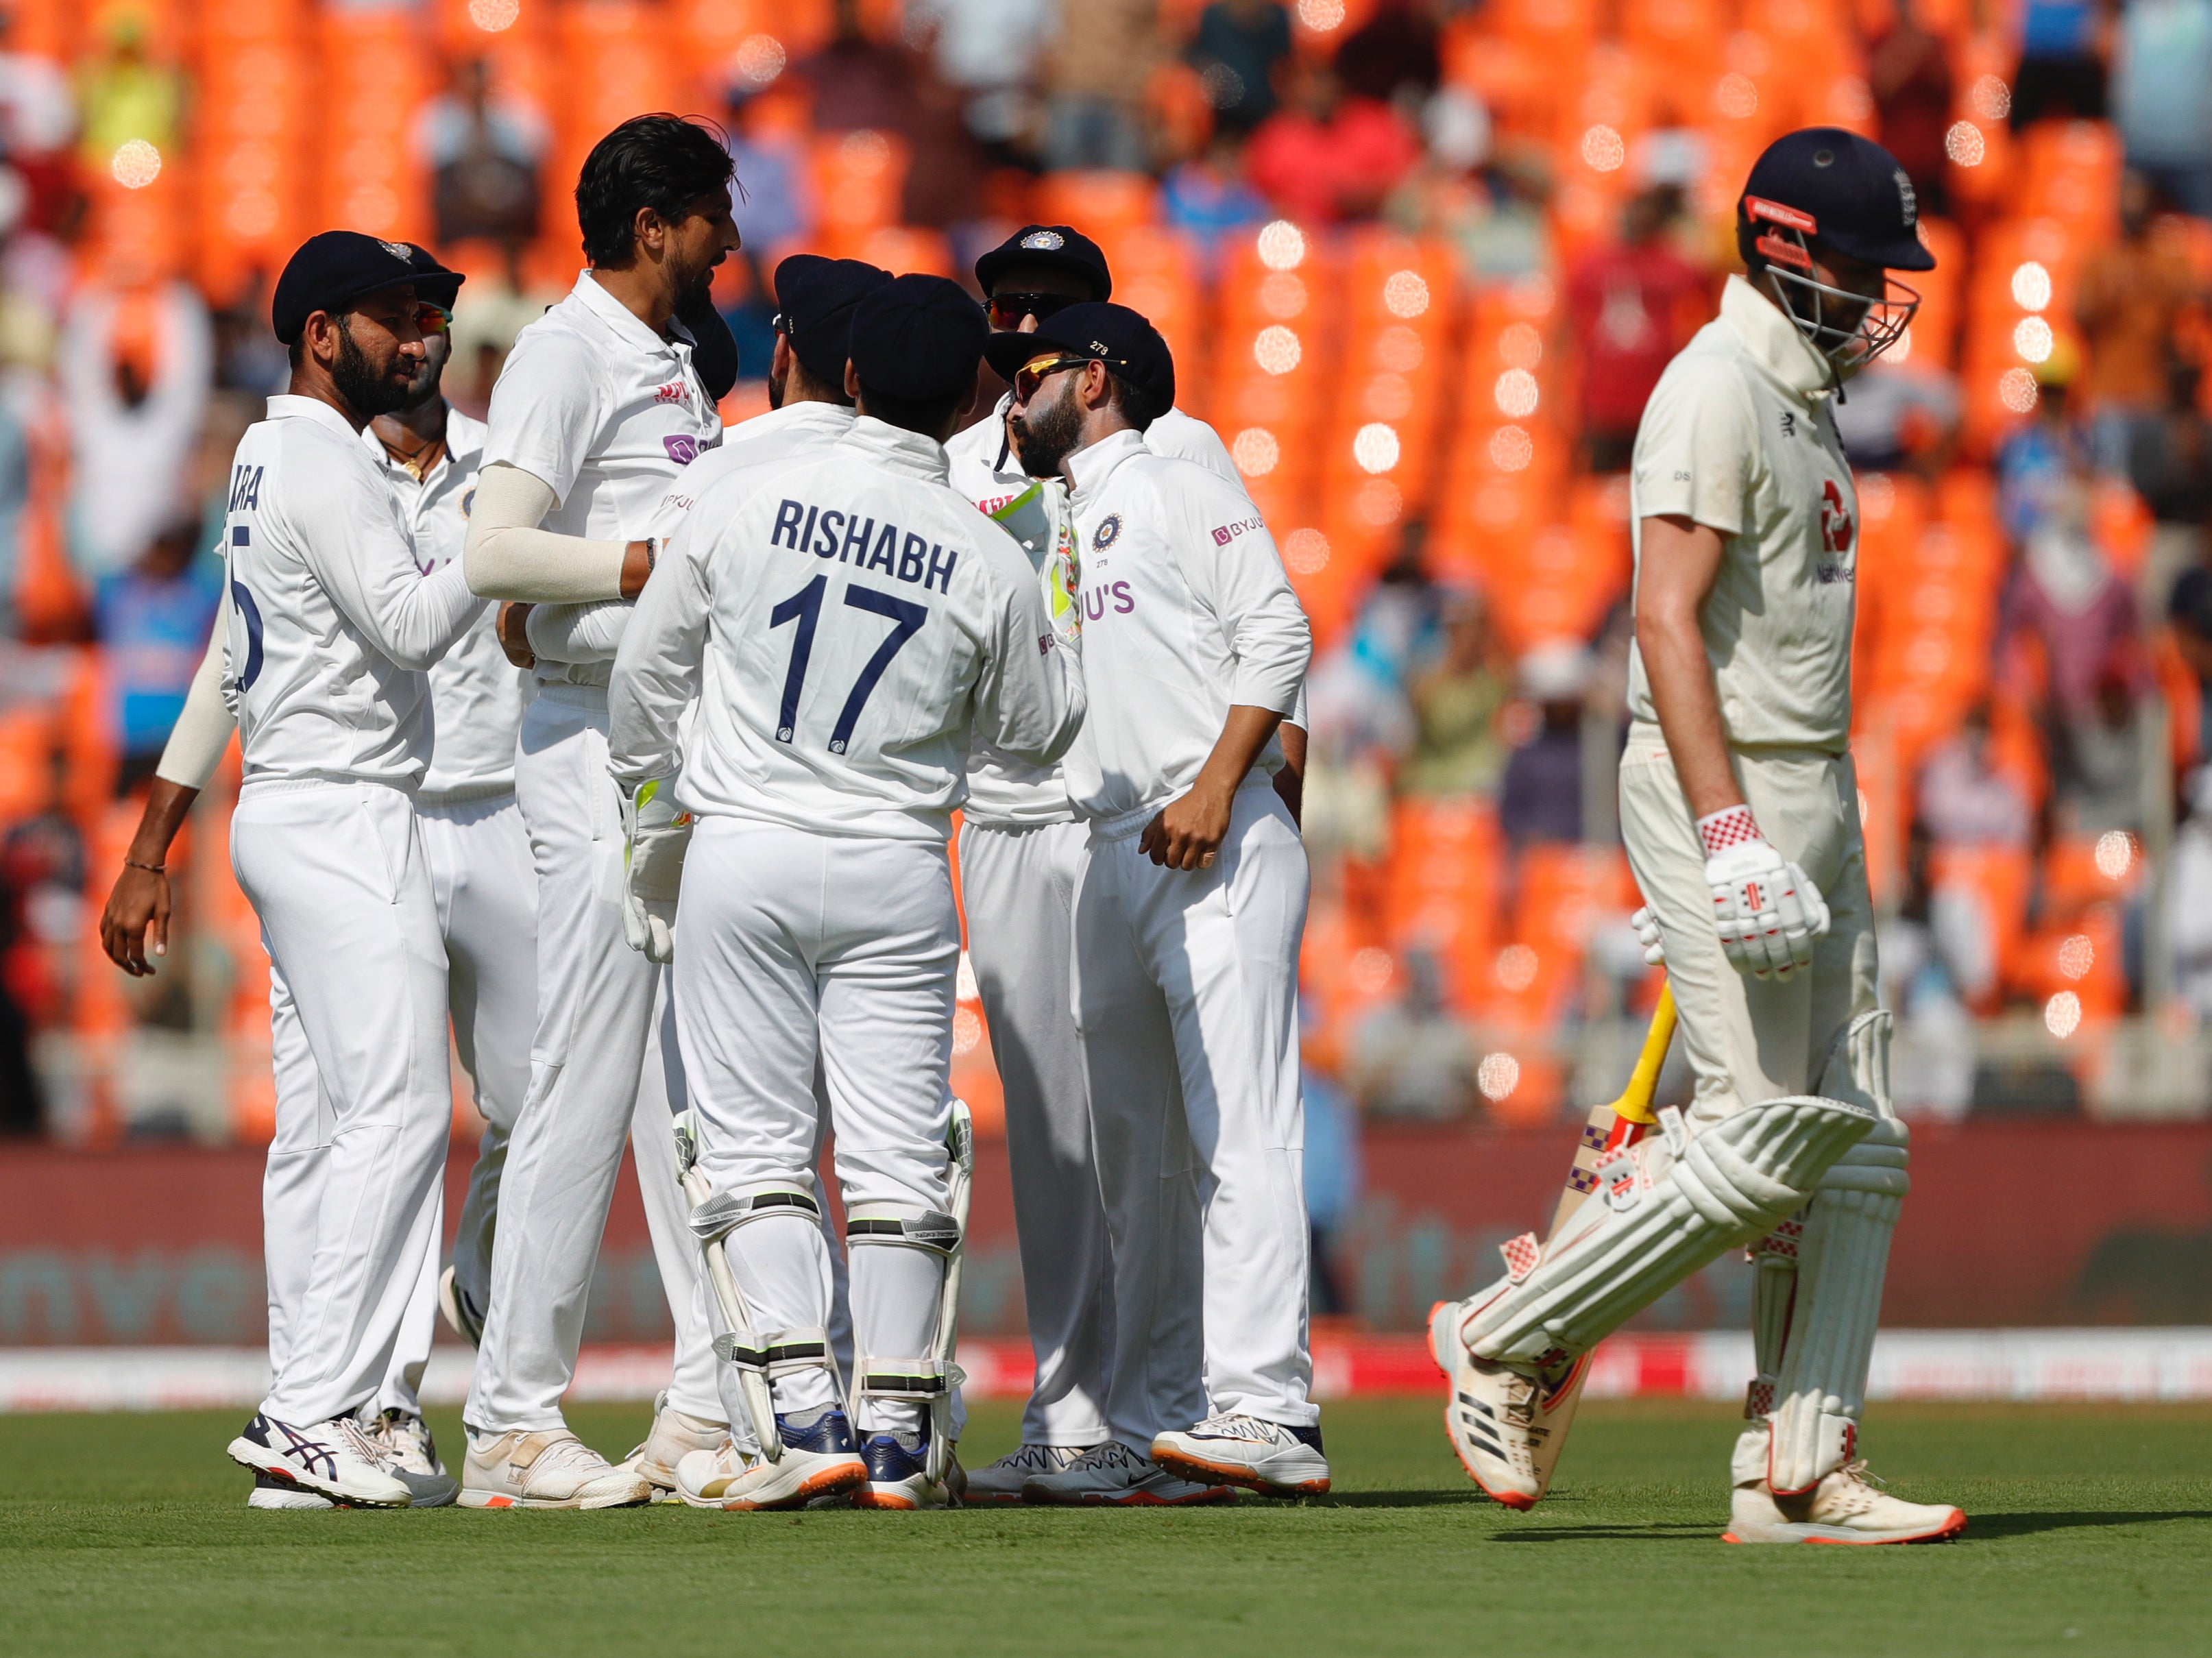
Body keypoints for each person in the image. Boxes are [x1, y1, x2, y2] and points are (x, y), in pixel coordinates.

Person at [1431, 130, 1967, 1545]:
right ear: (1784, 251)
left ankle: (1796, 1469)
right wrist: (1722, 830)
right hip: (1714, 783)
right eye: (1858, 270)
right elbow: (1660, 615)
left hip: (1817, 787)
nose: (1875, 298)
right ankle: (1502, 1334)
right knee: (1748, 1131)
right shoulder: (1711, 388)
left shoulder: (1799, 397)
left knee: (1851, 1142)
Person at [607, 274, 1085, 1510]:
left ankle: (799, 1414)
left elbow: (644, 682)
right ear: (972, 395)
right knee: (893, 1154)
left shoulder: (745, 493)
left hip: (744, 847)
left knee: (754, 1145)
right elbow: (1037, 733)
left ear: (853, 379)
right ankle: (893, 1430)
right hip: (894, 861)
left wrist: (656, 804)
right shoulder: (986, 551)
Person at [97, 243, 539, 1509]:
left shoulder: (264, 451)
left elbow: (235, 643)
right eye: (394, 317)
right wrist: (498, 548)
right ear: (316, 334)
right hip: (343, 812)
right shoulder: (315, 455)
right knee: (393, 1112)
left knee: (350, 1121)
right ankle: (314, 1409)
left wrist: (152, 841)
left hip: (317, 808)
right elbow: (409, 624)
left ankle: (323, 1417)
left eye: (432, 317)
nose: (421, 335)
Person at [942, 225, 1300, 1505]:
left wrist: (1246, 774)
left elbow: (1263, 622)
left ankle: (1231, 1400)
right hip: (1033, 814)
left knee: (1190, 1133)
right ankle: (1098, 1414)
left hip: (1158, 807)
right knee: (1074, 1137)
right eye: (1006, 307)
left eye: (1049, 314)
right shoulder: (955, 461)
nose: (1020, 327)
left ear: (1094, 351)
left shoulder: (1171, 454)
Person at [457, 114, 740, 1510]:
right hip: (581, 752)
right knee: (583, 1064)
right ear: (652, 227)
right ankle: (511, 1415)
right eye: (711, 216)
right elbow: (492, 546)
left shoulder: (669, 357)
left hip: (657, 742)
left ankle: (706, 1396)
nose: (728, 242)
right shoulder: (567, 354)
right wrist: (636, 565)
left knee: (681, 1081)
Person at [1564, 186, 1706, 474]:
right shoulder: (1592, 265)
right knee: (1599, 498)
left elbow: (1705, 280)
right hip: (1602, 404)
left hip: (1655, 403)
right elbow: (1568, 328)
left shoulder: (1668, 262)